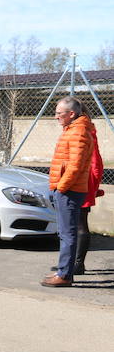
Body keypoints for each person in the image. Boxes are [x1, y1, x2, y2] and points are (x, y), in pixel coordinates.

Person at [42, 96, 96, 287]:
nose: (56, 117)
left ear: (71, 114)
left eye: (59, 113)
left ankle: (64, 275)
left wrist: (61, 187)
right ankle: (63, 271)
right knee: (66, 232)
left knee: (67, 233)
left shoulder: (78, 132)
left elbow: (75, 165)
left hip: (69, 190)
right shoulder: (73, 130)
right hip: (67, 188)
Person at [74, 103, 104, 274]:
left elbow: (96, 163)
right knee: (76, 225)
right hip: (84, 183)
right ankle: (75, 263)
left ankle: (78, 264)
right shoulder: (84, 130)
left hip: (83, 184)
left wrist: (92, 187)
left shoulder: (85, 132)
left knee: (80, 225)